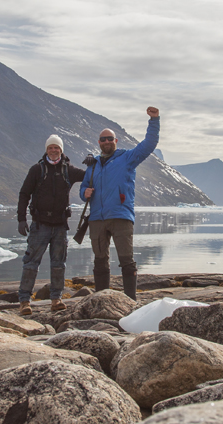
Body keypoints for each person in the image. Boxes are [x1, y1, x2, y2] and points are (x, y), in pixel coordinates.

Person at [80, 106, 160, 300]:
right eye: (103, 139)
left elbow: (149, 144)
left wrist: (154, 120)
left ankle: (130, 301)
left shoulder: (127, 158)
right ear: (99, 143)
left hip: (120, 216)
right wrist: (85, 193)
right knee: (100, 261)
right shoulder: (93, 165)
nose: (106, 142)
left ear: (116, 141)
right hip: (97, 219)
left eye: (110, 139)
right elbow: (83, 189)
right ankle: (101, 300)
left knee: (126, 260)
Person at [16, 134, 86, 315]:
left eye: (57, 148)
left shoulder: (68, 170)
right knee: (31, 263)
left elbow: (89, 176)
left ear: (61, 150)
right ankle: (24, 301)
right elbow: (24, 194)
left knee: (59, 264)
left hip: (60, 226)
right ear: (46, 150)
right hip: (40, 225)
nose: (54, 150)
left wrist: (94, 164)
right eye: (50, 148)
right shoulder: (36, 170)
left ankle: (56, 299)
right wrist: (21, 219)